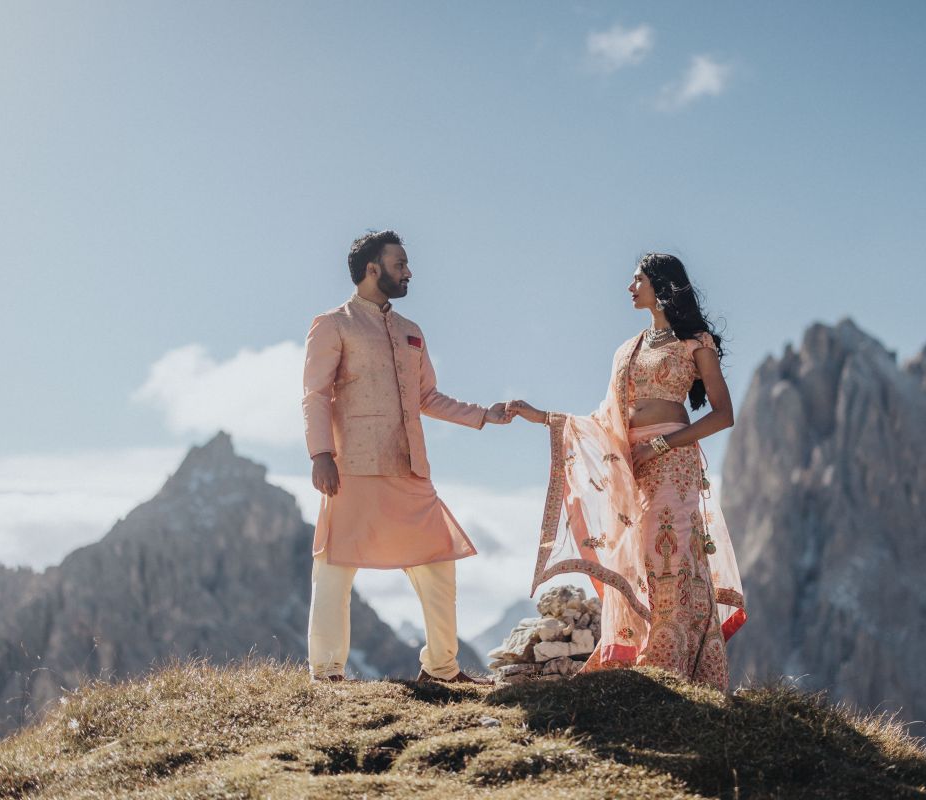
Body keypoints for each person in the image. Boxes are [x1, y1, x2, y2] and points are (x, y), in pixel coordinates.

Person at [507, 253, 746, 691]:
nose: (629, 286)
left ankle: (669, 664)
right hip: (630, 465)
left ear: (660, 284)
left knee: (669, 554)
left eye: (637, 279)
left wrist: (660, 445)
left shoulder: (696, 342)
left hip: (673, 463)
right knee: (640, 559)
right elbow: (604, 420)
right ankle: (645, 655)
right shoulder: (627, 349)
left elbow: (723, 415)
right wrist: (542, 417)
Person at [301, 230, 511, 684]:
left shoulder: (412, 331)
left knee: (438, 562)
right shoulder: (333, 324)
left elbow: (427, 397)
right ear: (372, 269)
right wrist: (321, 454)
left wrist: (484, 416)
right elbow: (316, 395)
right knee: (335, 567)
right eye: (400, 264)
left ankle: (440, 669)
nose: (409, 272)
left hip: (410, 467)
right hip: (351, 465)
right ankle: (327, 672)